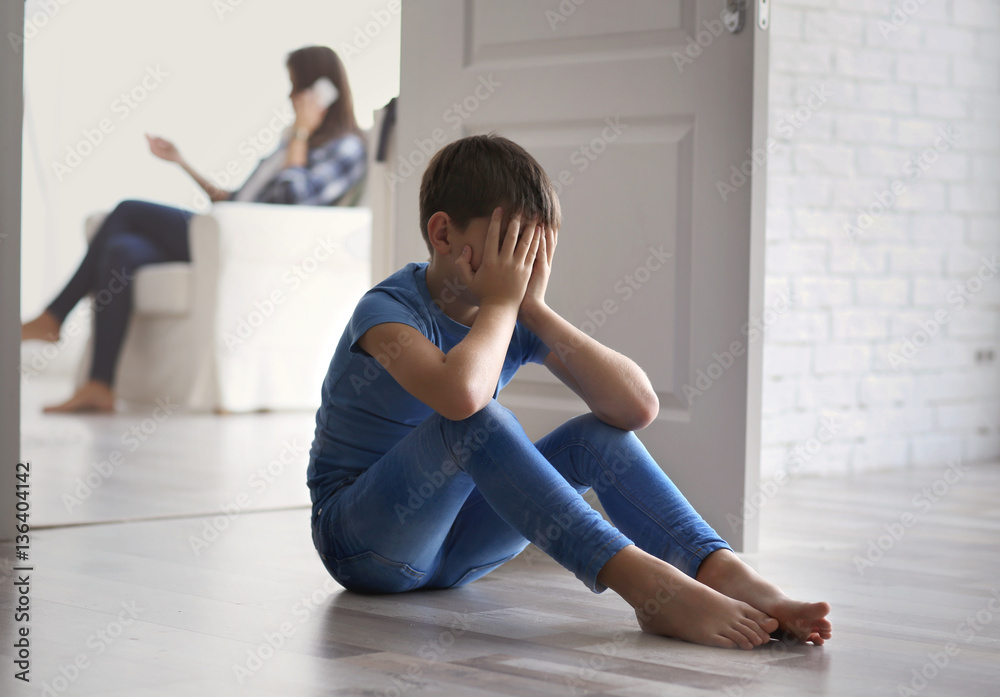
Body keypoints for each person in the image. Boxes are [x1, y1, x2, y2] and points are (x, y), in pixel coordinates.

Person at [307, 135, 832, 649]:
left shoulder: (511, 315)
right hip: (363, 543)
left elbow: (636, 407)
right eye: (511, 247)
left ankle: (719, 569)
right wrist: (503, 304)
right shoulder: (385, 312)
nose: (522, 268)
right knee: (478, 420)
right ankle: (646, 586)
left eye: (536, 251)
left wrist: (533, 309)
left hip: (456, 552)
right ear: (443, 234)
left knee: (594, 438)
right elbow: (461, 397)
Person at [21, 46, 366, 413]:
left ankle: (55, 316)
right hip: (223, 232)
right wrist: (181, 162)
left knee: (127, 210)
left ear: (322, 91)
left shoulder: (346, 146)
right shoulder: (291, 143)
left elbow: (291, 198)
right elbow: (235, 199)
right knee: (120, 249)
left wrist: (300, 132)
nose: (290, 96)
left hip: (249, 243)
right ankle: (99, 386)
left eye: (296, 86)